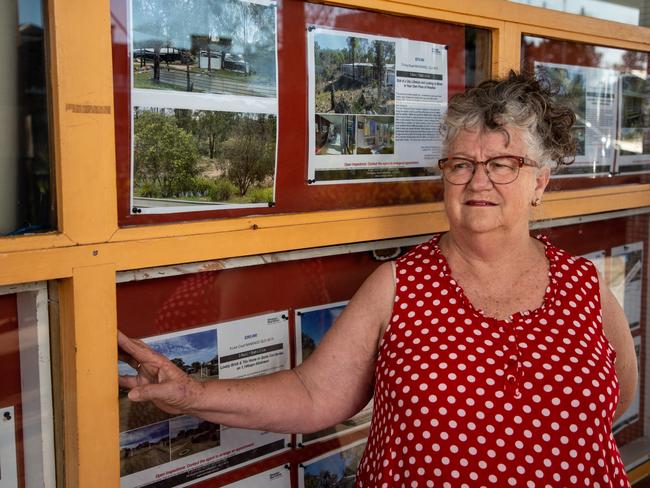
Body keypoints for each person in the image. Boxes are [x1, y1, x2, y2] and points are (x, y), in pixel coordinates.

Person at [119, 71, 637, 486]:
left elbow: (620, 398)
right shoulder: (400, 285)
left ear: (540, 181)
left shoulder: (584, 285)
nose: (478, 180)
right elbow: (311, 394)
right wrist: (193, 394)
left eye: (503, 163)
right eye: (460, 164)